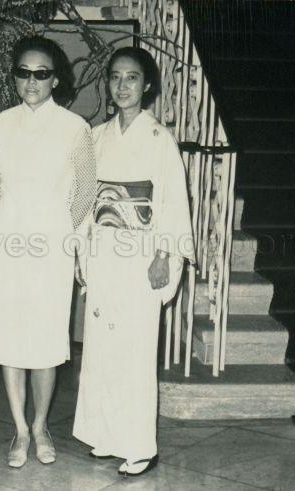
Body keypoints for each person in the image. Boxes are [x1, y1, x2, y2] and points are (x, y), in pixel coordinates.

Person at [72, 46, 195, 477]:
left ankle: (139, 444)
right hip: (104, 251)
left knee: (135, 352)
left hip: (142, 254)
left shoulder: (160, 140)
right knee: (102, 348)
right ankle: (105, 436)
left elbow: (173, 202)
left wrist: (165, 254)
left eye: (132, 78)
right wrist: (82, 247)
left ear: (147, 86)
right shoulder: (97, 136)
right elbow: (86, 199)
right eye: (115, 77)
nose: (122, 86)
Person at [0, 36, 97, 468]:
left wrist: (64, 236)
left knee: (46, 340)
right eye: (23, 72)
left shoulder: (74, 128)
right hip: (9, 241)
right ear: (15, 76)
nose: (31, 81)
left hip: (51, 245)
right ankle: (20, 430)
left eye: (41, 73)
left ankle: (43, 424)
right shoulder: (0, 123)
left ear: (55, 79)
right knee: (11, 339)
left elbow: (85, 193)